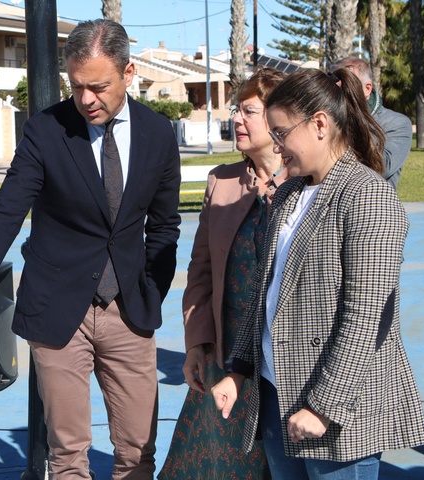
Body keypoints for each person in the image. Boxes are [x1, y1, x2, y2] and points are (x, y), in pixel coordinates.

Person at [0, 19, 182, 480]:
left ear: (129, 72)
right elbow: (5, 213)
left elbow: (164, 227)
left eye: (98, 86)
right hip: (59, 312)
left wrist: (148, 293)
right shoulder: (46, 130)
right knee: (67, 458)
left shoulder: (159, 134)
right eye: (76, 85)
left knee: (138, 453)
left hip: (130, 313)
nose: (85, 99)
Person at [211, 67, 424, 479]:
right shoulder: (290, 193)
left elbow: (366, 316)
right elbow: (265, 293)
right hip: (278, 396)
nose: (276, 145)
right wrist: (238, 370)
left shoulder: (369, 195)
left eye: (281, 133)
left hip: (335, 411)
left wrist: (323, 405)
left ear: (320, 125)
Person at [158, 67, 287, 480]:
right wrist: (196, 342)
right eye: (236, 109)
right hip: (226, 353)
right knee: (218, 461)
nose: (236, 119)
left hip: (284, 359)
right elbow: (201, 272)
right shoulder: (223, 181)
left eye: (248, 110)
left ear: (279, 117)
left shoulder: (308, 183)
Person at [331, 56, 412, 189]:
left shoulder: (396, 123)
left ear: (367, 89)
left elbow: (382, 167)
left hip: (371, 204)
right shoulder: (324, 119)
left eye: (347, 85)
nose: (337, 94)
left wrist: (352, 119)